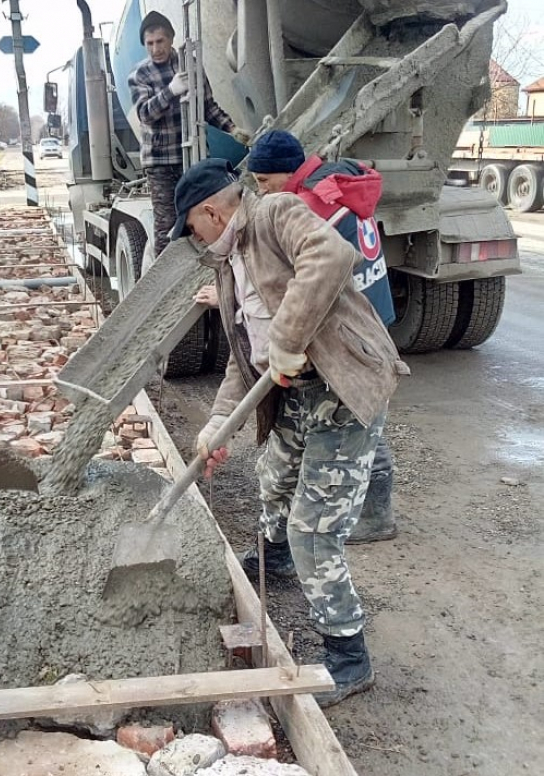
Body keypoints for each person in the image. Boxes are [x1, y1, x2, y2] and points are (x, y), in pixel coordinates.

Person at [173, 157, 409, 706]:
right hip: (298, 393)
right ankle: (273, 558)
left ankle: (349, 657)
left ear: (211, 211)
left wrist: (288, 334)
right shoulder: (229, 262)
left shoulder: (274, 213)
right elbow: (243, 358)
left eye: (191, 226)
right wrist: (217, 424)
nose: (193, 237)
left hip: (343, 388)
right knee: (271, 475)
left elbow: (331, 255)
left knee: (313, 528)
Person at [197, 129, 399, 548]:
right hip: (356, 311)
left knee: (358, 419)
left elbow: (306, 270)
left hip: (345, 328)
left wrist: (281, 336)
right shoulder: (331, 190)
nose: (261, 191)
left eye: (265, 182)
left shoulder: (299, 206)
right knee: (354, 424)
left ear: (286, 174)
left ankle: (374, 514)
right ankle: (356, 514)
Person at [128, 10, 251, 258]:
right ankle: (163, 285)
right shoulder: (140, 74)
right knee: (167, 226)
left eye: (160, 41)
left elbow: (208, 106)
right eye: (149, 44)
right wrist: (170, 91)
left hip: (192, 154)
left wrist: (232, 129)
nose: (155, 48)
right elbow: (144, 114)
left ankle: (203, 270)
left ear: (171, 39)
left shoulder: (191, 66)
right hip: (160, 162)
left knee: (201, 216)